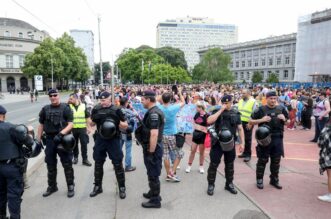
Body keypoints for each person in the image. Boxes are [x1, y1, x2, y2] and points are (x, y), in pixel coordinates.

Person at [89, 91, 128, 199]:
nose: (102, 102)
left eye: (104, 100)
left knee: (117, 163)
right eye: (101, 100)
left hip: (114, 139)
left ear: (109, 99)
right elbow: (91, 123)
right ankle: (97, 186)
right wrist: (93, 120)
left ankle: (122, 187)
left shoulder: (117, 109)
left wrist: (117, 121)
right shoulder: (96, 108)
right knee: (98, 162)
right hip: (100, 139)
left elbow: (125, 125)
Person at [37, 89, 75, 198]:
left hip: (63, 140)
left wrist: (61, 134)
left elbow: (70, 124)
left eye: (55, 95)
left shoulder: (66, 108)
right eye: (51, 95)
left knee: (67, 164)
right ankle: (52, 186)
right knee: (50, 164)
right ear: (49, 97)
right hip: (49, 140)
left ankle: (71, 186)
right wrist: (38, 140)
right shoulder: (45, 109)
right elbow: (41, 125)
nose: (53, 97)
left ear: (58, 96)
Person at [249, 91, 289, 190]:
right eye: (271, 98)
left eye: (274, 98)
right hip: (265, 139)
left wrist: (285, 119)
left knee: (276, 161)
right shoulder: (260, 109)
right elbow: (250, 121)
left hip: (278, 138)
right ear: (266, 99)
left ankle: (274, 180)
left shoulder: (281, 109)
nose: (273, 100)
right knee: (262, 160)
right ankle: (259, 179)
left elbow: (288, 123)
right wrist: (261, 120)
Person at [206, 95, 244, 196]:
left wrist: (242, 143)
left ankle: (229, 184)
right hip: (217, 143)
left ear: (232, 102)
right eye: (224, 103)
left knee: (230, 165)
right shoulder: (216, 111)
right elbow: (209, 121)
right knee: (213, 165)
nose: (226, 105)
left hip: (230, 143)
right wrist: (221, 110)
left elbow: (240, 128)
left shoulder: (235, 113)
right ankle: (211, 185)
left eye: (228, 103)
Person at [137, 90, 164, 208]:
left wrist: (151, 152)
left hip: (153, 147)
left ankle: (155, 200)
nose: (142, 102)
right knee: (150, 171)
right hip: (150, 146)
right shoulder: (153, 111)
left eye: (143, 99)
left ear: (148, 99)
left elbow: (154, 134)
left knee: (153, 173)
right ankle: (153, 192)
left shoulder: (154, 114)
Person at [0, 106, 25, 219]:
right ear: (3, 115)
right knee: (13, 195)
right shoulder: (11, 127)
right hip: (11, 166)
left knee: (0, 194)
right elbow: (29, 142)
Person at [157, 89, 185, 182]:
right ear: (170, 100)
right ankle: (172, 172)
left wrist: (162, 93)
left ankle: (169, 174)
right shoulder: (173, 107)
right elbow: (183, 102)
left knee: (165, 156)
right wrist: (180, 92)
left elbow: (156, 100)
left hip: (162, 135)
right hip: (171, 135)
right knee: (179, 153)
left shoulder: (158, 107)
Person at [68, 94, 92, 166]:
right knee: (74, 144)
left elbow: (87, 117)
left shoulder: (83, 106)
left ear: (76, 99)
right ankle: (75, 158)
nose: (70, 100)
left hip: (82, 128)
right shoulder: (69, 107)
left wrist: (89, 127)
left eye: (71, 99)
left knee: (84, 144)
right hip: (73, 129)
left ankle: (85, 159)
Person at [186, 101, 208, 174]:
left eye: (197, 107)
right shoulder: (196, 114)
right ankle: (189, 166)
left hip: (203, 136)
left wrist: (202, 128)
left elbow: (208, 126)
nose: (196, 108)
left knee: (201, 152)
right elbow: (194, 123)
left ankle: (201, 166)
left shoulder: (207, 115)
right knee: (193, 151)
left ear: (201, 107)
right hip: (195, 135)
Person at [237, 89, 256, 162]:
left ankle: (248, 155)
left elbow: (254, 113)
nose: (242, 94)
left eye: (244, 93)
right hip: (240, 122)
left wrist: (251, 123)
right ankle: (244, 153)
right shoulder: (241, 100)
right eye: (242, 93)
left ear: (248, 93)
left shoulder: (253, 101)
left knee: (248, 139)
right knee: (242, 138)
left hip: (248, 122)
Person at [119, 97, 136, 172]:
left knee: (118, 149)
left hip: (119, 132)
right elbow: (136, 114)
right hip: (127, 132)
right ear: (126, 103)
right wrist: (132, 108)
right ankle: (128, 166)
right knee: (128, 150)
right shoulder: (129, 111)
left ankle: (117, 164)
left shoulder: (117, 110)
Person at [317, 123, 331, 202]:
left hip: (329, 155)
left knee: (330, 174)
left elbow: (320, 142)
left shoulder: (327, 128)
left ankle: (330, 195)